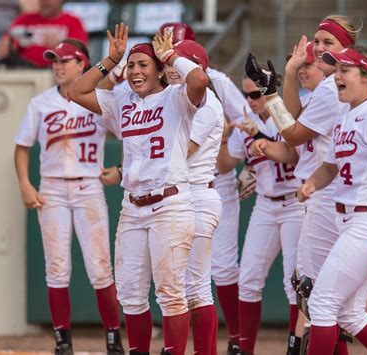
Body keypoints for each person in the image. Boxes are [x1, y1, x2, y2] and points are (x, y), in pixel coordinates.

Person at [68, 23, 209, 355]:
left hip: (170, 203)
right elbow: (77, 91)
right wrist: (110, 59)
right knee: (130, 293)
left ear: (160, 71)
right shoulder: (122, 99)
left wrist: (170, 55)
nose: (135, 71)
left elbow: (200, 79)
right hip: (132, 207)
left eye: (143, 64)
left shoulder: (176, 96)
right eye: (131, 65)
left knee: (170, 293)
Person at [246, 15, 362, 354]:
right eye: (318, 41)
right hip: (324, 190)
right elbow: (294, 124)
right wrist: (283, 87)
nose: (320, 48)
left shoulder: (330, 90)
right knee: (330, 297)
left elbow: (292, 133)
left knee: (323, 295)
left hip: (327, 194)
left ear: (347, 50)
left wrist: (272, 94)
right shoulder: (328, 87)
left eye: (330, 43)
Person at [14, 38, 124, 355]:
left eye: (65, 60)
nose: (58, 66)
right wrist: (24, 182)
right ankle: (62, 340)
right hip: (52, 186)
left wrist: (119, 167)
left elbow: (132, 134)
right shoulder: (41, 103)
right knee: (57, 267)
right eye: (55, 61)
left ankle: (114, 338)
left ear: (82, 64)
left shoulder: (101, 100)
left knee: (100, 266)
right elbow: (21, 147)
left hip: (89, 186)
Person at [159, 22, 250, 355]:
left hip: (202, 185)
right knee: (178, 283)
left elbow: (247, 120)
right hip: (178, 191)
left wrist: (247, 159)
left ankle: (234, 341)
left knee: (203, 280)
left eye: (178, 57)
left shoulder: (212, 91)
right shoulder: (166, 90)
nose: (171, 64)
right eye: (169, 56)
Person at [298, 44, 367, 355]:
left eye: (344, 70)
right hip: (346, 218)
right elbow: (329, 167)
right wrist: (311, 183)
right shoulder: (345, 117)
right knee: (350, 313)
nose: (336, 76)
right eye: (335, 69)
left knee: (322, 303)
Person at [217, 74, 304, 355]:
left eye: (256, 94)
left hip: (296, 203)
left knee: (294, 283)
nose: (251, 101)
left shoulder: (288, 116)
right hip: (265, 204)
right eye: (247, 96)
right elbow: (226, 165)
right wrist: (223, 137)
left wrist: (259, 138)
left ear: (271, 91)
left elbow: (292, 155)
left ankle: (295, 345)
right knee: (249, 280)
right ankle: (244, 348)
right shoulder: (244, 125)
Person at [164, 39, 223, 354]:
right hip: (178, 198)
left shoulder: (209, 104)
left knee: (197, 289)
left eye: (182, 62)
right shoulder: (171, 99)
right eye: (173, 62)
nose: (174, 68)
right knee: (175, 287)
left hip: (199, 196)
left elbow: (183, 150)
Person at [0, 0, 88, 68]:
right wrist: (9, 44)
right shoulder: (24, 20)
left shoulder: (73, 22)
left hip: (57, 74)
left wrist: (60, 46)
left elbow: (81, 55)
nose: (44, 2)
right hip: (25, 73)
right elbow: (1, 53)